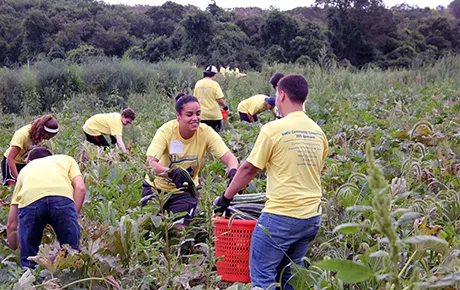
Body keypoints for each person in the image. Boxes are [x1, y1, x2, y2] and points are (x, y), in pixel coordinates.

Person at [214, 75, 329, 289]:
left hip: (281, 216)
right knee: (290, 276)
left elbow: (248, 168)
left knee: (263, 277)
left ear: (281, 94)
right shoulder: (318, 132)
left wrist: (226, 197)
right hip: (312, 217)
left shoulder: (273, 129)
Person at [142, 94, 238, 228]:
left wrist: (233, 171)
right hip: (156, 188)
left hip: (185, 190)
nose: (195, 118)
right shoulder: (166, 132)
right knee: (151, 230)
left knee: (179, 233)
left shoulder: (206, 133)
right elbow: (149, 164)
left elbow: (230, 158)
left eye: (198, 114)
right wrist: (172, 173)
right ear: (178, 116)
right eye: (189, 114)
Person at [6, 147, 86, 268]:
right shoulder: (66, 159)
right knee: (71, 256)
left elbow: (11, 224)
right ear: (52, 156)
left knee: (29, 260)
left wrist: (15, 250)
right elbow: (80, 188)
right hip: (62, 199)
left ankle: (31, 281)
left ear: (29, 161)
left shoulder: (25, 170)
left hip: (30, 203)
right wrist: (72, 216)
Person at [2, 115, 59, 186]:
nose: (47, 139)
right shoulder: (22, 135)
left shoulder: (39, 135)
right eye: (47, 137)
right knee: (15, 188)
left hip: (23, 163)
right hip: (11, 163)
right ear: (41, 131)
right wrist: (18, 178)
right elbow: (10, 158)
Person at [193, 65, 228, 133]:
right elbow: (219, 100)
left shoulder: (198, 83)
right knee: (216, 137)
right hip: (214, 116)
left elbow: (195, 99)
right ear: (214, 74)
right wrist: (225, 107)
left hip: (202, 116)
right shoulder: (214, 84)